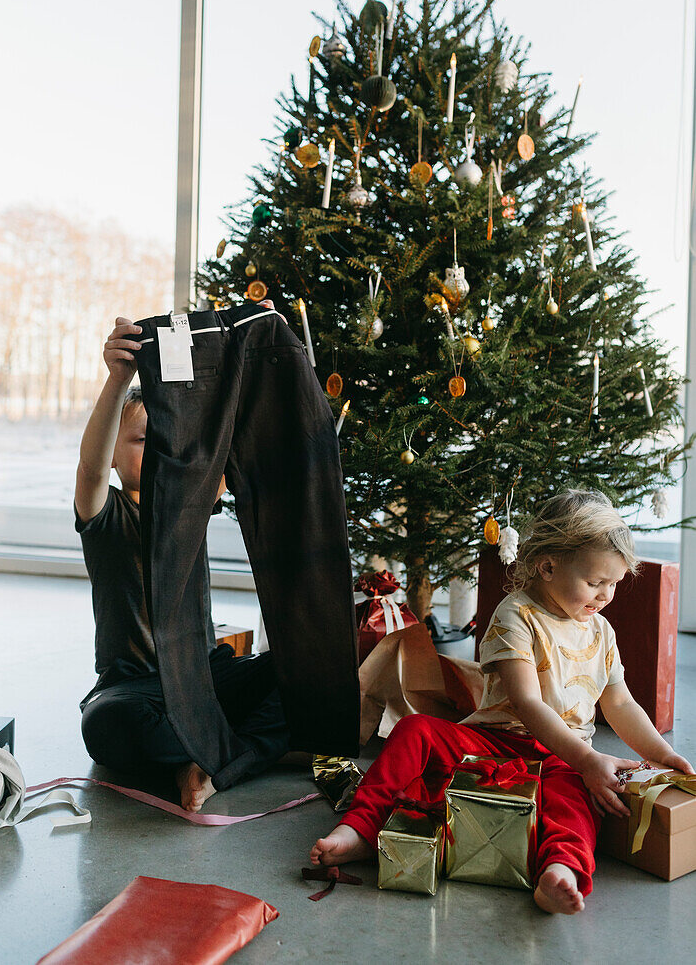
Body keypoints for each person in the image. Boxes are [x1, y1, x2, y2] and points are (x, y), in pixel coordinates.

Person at [310, 489, 694, 914]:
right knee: (414, 730)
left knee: (579, 801)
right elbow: (528, 703)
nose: (605, 596)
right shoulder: (516, 615)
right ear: (547, 567)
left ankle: (559, 871)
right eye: (594, 582)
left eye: (614, 584)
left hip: (561, 757)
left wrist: (661, 754)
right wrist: (588, 759)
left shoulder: (601, 632)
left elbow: (620, 704)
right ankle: (361, 830)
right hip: (492, 742)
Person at [75, 316, 290, 812]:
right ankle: (232, 751)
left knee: (305, 672)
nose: (158, 454)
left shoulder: (192, 501)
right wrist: (118, 379)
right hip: (136, 689)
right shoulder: (107, 513)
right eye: (143, 441)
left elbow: (221, 439)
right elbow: (89, 465)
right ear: (115, 455)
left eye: (166, 443)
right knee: (107, 727)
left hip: (205, 679)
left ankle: (210, 758)